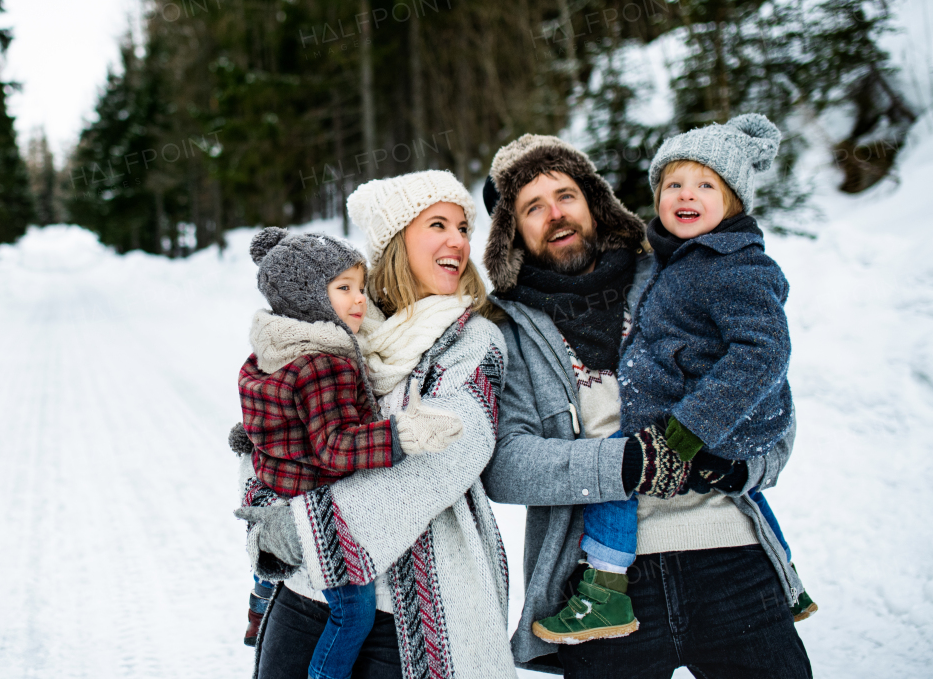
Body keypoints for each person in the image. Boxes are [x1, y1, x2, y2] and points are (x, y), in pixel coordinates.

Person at [479, 133, 812, 678]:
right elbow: (508, 466)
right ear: (511, 231)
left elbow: (771, 396)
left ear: (594, 201)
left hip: (729, 554)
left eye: (565, 195)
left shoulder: (677, 269)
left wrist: (745, 466)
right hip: (599, 588)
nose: (555, 215)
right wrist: (624, 465)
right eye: (532, 207)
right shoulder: (507, 330)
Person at [234, 170, 517, 679]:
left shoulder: (472, 343)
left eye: (463, 227)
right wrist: (264, 511)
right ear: (394, 240)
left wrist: (306, 530)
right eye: (439, 224)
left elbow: (450, 452)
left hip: (414, 611)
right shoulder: (331, 323)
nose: (458, 240)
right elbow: (267, 428)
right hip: (307, 592)